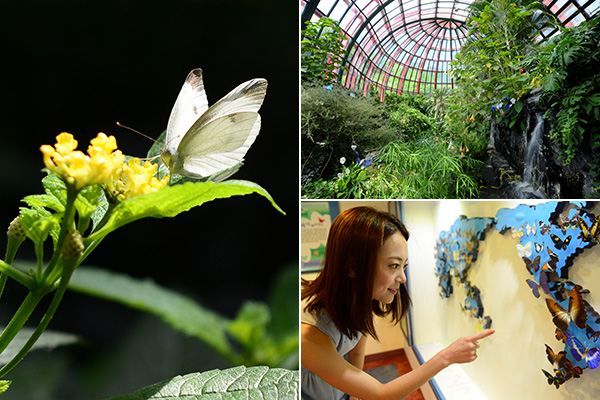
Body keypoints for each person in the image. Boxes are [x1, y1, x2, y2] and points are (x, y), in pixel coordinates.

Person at [301, 206, 494, 400]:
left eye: (404, 266)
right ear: (352, 267)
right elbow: (380, 394)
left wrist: (353, 395)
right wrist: (447, 356)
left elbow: (356, 354)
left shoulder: (361, 303)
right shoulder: (309, 335)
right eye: (394, 266)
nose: (402, 278)